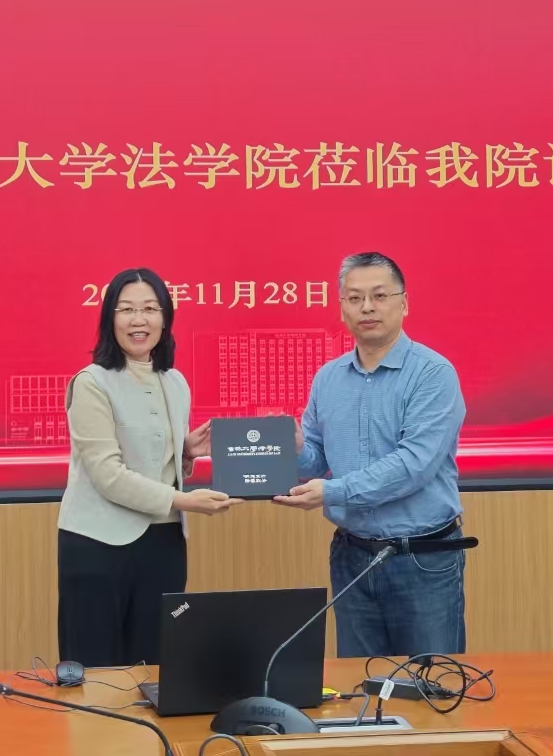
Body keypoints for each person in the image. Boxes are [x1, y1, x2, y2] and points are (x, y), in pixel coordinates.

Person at [274, 251, 467, 658]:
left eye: (379, 296)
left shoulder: (433, 374)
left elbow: (413, 465)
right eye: (354, 298)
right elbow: (316, 462)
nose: (367, 307)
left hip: (421, 559)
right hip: (351, 557)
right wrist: (295, 449)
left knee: (431, 682)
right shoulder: (328, 378)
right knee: (361, 683)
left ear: (404, 303)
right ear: (342, 307)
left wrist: (332, 492)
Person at [57, 267, 242, 667]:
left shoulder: (175, 382)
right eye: (126, 309)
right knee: (96, 672)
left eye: (149, 309)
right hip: (98, 545)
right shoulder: (91, 383)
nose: (138, 320)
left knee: (158, 666)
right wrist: (184, 500)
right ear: (110, 318)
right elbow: (108, 476)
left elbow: (154, 461)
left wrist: (185, 453)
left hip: (164, 544)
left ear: (165, 317)